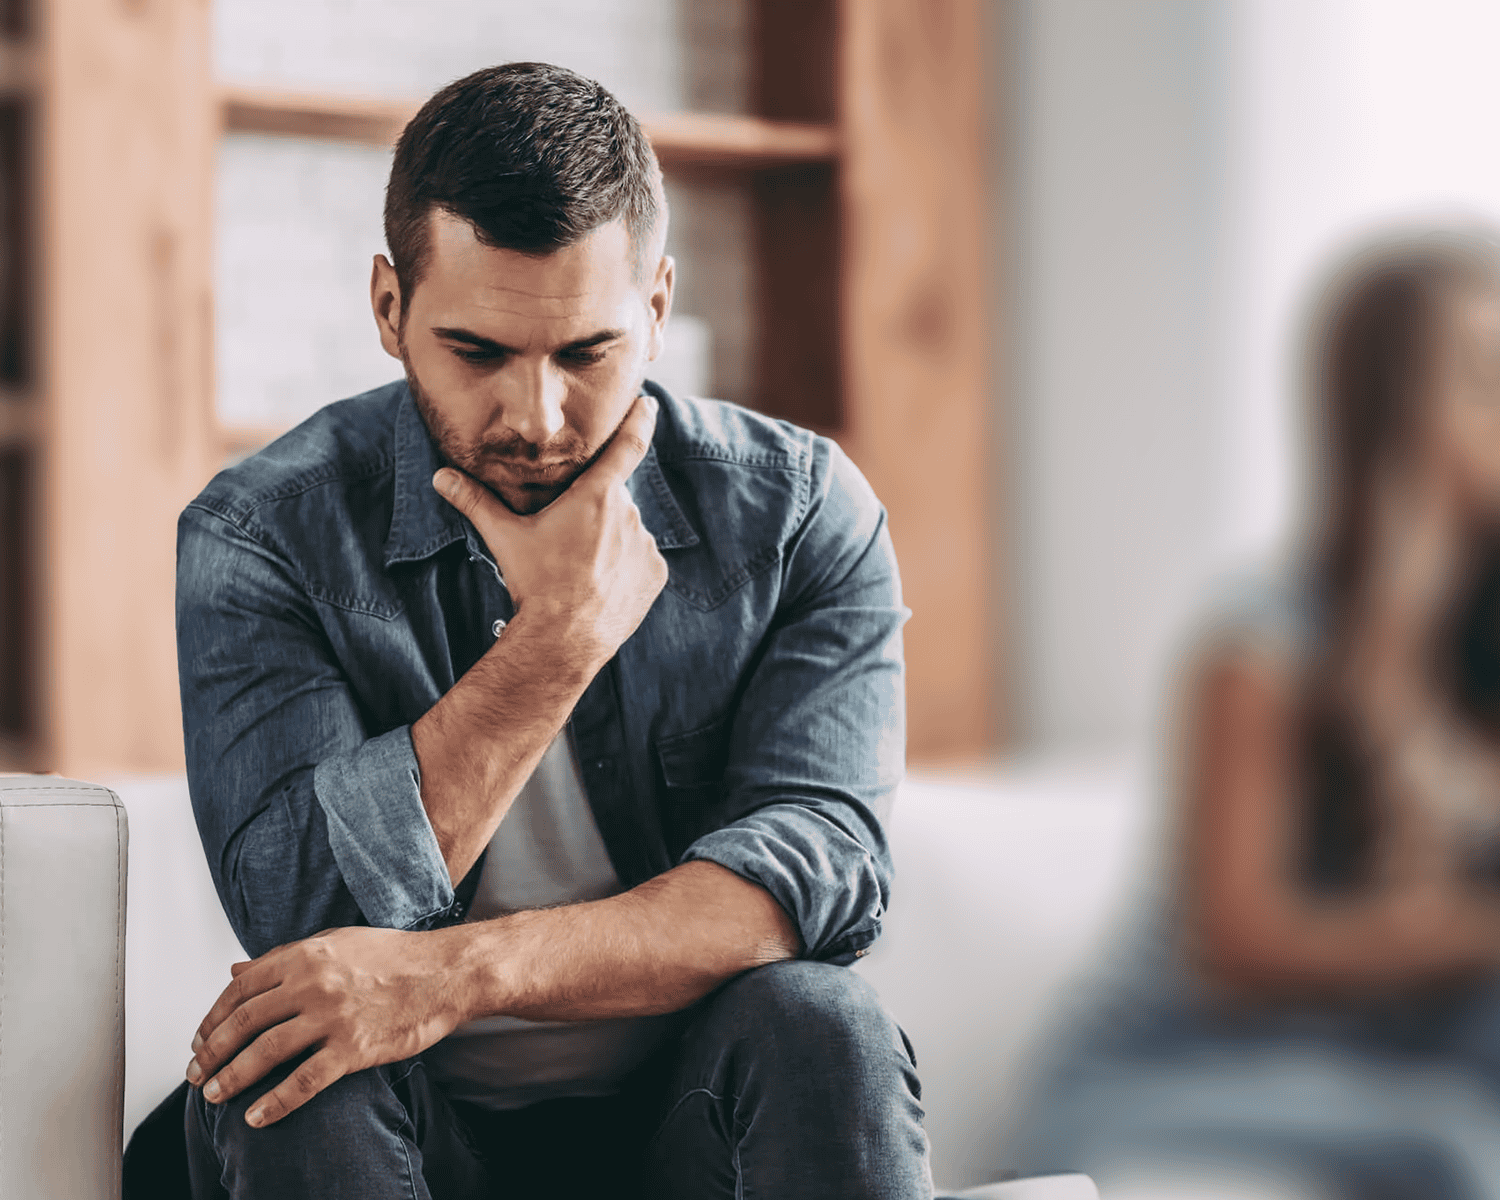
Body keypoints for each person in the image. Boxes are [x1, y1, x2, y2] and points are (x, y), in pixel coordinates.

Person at [170, 61, 929, 1200]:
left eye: (587, 354)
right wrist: (557, 644)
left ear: (660, 310)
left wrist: (460, 974)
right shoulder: (262, 534)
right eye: (477, 353)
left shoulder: (798, 513)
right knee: (296, 1069)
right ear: (390, 309)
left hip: (686, 1114)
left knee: (823, 1022)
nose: (536, 419)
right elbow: (310, 918)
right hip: (402, 1119)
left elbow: (816, 877)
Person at [1004, 230, 1500, 1198]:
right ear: (1392, 410)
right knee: (1453, 1145)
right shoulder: (1260, 641)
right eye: (1486, 374)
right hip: (1172, 1072)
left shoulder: (1471, 657)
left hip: (1372, 1070)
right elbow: (1241, 946)